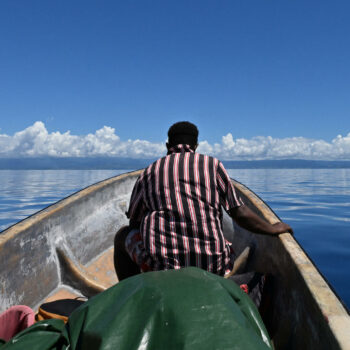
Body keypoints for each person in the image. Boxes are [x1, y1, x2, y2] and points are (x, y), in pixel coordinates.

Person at [114, 121, 293, 281]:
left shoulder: (149, 172)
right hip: (214, 268)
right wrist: (272, 228)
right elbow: (239, 212)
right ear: (196, 145)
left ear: (168, 145)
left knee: (122, 236)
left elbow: (134, 222)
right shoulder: (213, 166)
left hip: (162, 270)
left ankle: (132, 293)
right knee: (226, 244)